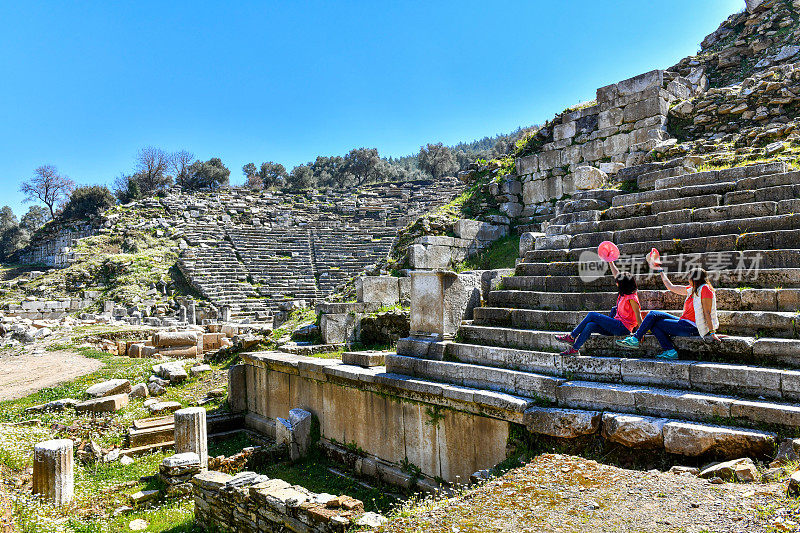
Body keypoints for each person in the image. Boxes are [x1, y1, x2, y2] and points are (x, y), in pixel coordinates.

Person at [616, 266, 720, 359]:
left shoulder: (705, 289)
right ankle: (668, 350)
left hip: (692, 327)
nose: (688, 280)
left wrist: (712, 332)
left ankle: (636, 339)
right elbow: (670, 287)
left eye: (689, 277)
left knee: (653, 322)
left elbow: (707, 312)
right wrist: (660, 270)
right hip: (684, 322)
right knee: (653, 315)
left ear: (695, 278)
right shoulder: (692, 289)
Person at [556, 260, 642, 356]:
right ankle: (575, 349)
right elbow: (616, 274)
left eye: (618, 283)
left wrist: (641, 333)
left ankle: (572, 336)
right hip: (615, 325)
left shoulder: (632, 298)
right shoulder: (624, 292)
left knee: (592, 315)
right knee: (590, 325)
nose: (616, 284)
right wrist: (610, 262)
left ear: (623, 284)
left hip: (622, 327)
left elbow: (638, 316)